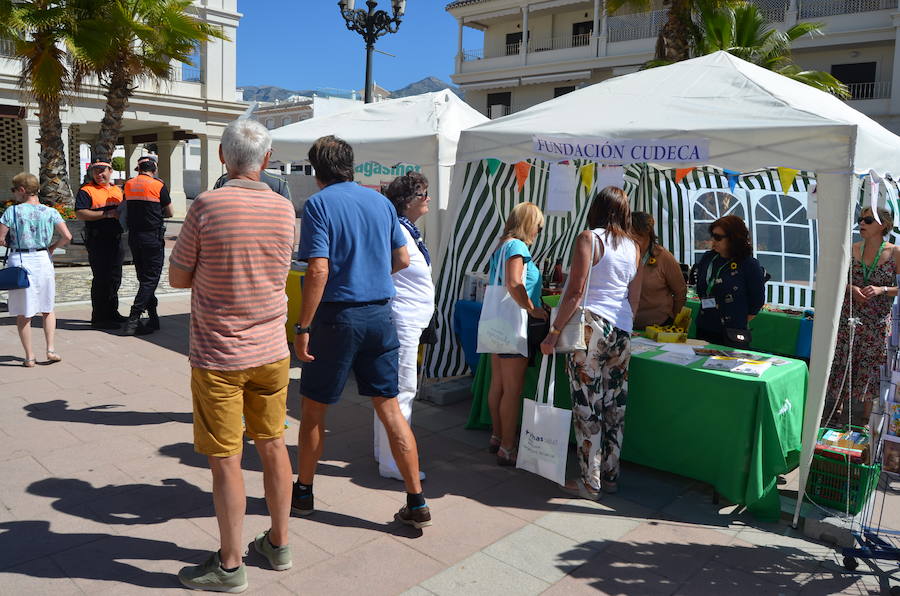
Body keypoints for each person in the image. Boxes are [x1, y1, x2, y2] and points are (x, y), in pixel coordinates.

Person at [169, 119, 296, 592]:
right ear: (267, 159)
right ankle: (279, 544)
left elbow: (179, 278)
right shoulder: (286, 210)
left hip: (219, 354)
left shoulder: (205, 205)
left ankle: (229, 564)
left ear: (222, 157)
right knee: (273, 445)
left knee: (225, 458)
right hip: (271, 351)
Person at [292, 135, 431, 530]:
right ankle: (415, 497)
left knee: (314, 410)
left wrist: (303, 327)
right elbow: (402, 258)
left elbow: (317, 270)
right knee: (389, 408)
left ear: (317, 170)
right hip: (381, 315)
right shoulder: (380, 203)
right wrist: (370, 279)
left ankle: (303, 492)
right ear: (350, 165)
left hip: (337, 318)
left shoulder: (319, 204)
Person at [541, 186, 641, 500]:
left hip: (591, 327)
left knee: (587, 407)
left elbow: (574, 292)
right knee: (615, 406)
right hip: (622, 329)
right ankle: (609, 476)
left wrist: (554, 331)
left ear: (596, 208)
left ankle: (590, 482)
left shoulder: (589, 238)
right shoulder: (635, 247)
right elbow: (633, 299)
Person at [375, 171, 435, 481]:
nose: (428, 199)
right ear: (408, 201)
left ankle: (385, 455)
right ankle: (394, 462)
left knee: (392, 390)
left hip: (409, 318)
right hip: (402, 320)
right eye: (423, 194)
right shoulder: (397, 229)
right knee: (402, 391)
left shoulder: (406, 229)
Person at [824, 206, 900, 428]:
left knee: (868, 369)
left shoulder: (895, 252)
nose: (862, 224)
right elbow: (833, 278)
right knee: (842, 364)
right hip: (849, 319)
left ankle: (860, 421)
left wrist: (882, 290)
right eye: (860, 219)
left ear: (883, 225)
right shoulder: (851, 248)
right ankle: (832, 417)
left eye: (868, 220)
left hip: (876, 323)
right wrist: (851, 288)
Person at [485, 202, 547, 466]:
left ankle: (497, 437)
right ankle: (508, 447)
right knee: (511, 390)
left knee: (498, 385)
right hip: (512, 321)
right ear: (529, 223)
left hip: (495, 320)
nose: (539, 231)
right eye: (538, 226)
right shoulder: (518, 246)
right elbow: (514, 283)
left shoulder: (502, 244)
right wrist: (533, 309)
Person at [0, 173, 72, 366]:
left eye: (14, 190)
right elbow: (67, 236)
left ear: (22, 190)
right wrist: (52, 247)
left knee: (24, 312)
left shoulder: (12, 212)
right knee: (47, 308)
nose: (13, 194)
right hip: (43, 259)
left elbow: (1, 238)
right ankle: (50, 349)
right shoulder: (50, 212)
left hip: (20, 260)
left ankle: (29, 356)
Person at [694, 215, 765, 348]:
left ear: (734, 238)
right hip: (705, 328)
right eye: (713, 236)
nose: (713, 241)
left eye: (718, 237)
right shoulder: (708, 258)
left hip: (733, 333)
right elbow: (701, 289)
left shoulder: (748, 264)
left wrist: (736, 320)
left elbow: (757, 301)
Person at [122, 155, 173, 336]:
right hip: (152, 237)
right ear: (154, 169)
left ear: (139, 169)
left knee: (144, 278)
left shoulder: (128, 184)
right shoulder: (158, 185)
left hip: (134, 237)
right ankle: (133, 319)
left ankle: (153, 317)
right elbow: (170, 212)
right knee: (151, 279)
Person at [75, 160, 125, 329]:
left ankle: (112, 312)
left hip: (116, 238)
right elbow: (80, 213)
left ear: (110, 171)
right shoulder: (86, 190)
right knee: (101, 278)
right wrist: (106, 214)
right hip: (98, 240)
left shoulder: (118, 190)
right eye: (95, 171)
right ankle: (99, 318)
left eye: (102, 171)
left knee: (115, 277)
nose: (99, 174)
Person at [631, 212, 687, 329]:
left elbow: (680, 292)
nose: (633, 239)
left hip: (659, 325)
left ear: (648, 234)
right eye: (628, 235)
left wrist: (675, 323)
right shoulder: (623, 255)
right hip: (628, 325)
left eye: (637, 235)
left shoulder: (663, 257)